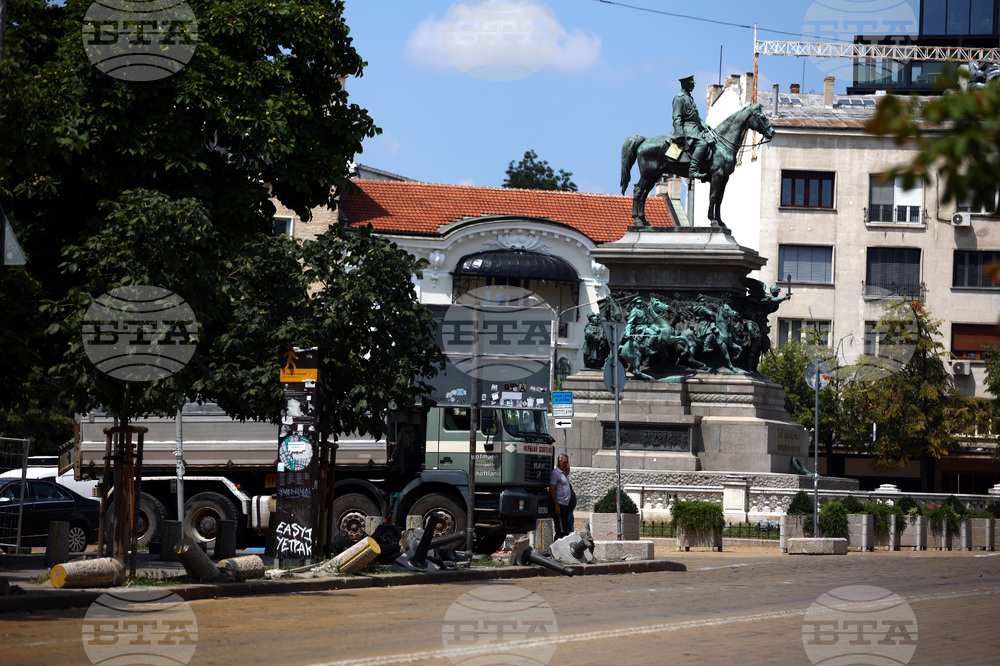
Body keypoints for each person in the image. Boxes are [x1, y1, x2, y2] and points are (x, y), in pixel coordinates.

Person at [671, 75, 715, 182]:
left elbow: (695, 117)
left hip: (695, 127)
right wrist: (679, 133)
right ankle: (693, 169)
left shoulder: (690, 98)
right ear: (685, 85)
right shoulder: (679, 98)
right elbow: (677, 117)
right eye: (691, 84)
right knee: (702, 144)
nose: (693, 86)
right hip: (687, 128)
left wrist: (704, 124)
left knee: (711, 139)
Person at [549, 453, 574, 538]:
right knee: (561, 531)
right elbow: (552, 489)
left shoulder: (563, 474)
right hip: (560, 505)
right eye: (564, 463)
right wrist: (556, 505)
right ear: (559, 462)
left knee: (564, 530)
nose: (566, 465)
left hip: (566, 505)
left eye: (567, 463)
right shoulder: (555, 473)